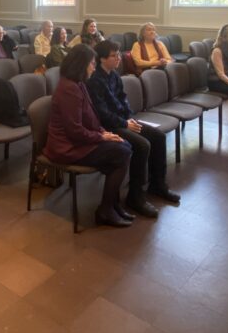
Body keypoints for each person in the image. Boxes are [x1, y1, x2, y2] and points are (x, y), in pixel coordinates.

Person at [45, 44, 133, 228]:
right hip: (67, 147)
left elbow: (91, 117)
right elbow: (74, 131)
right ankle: (106, 210)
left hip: (78, 141)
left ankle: (111, 206)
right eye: (91, 63)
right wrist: (101, 137)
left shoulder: (78, 83)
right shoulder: (69, 89)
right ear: (80, 65)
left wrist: (103, 132)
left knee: (123, 147)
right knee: (121, 152)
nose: (94, 67)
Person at [88, 40, 178, 217]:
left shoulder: (113, 75)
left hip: (124, 121)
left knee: (158, 137)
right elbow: (102, 113)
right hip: (109, 127)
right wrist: (124, 123)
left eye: (118, 54)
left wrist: (129, 118)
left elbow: (123, 99)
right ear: (102, 59)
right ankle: (135, 196)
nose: (118, 58)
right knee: (142, 145)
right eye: (114, 56)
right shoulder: (94, 81)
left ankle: (157, 185)